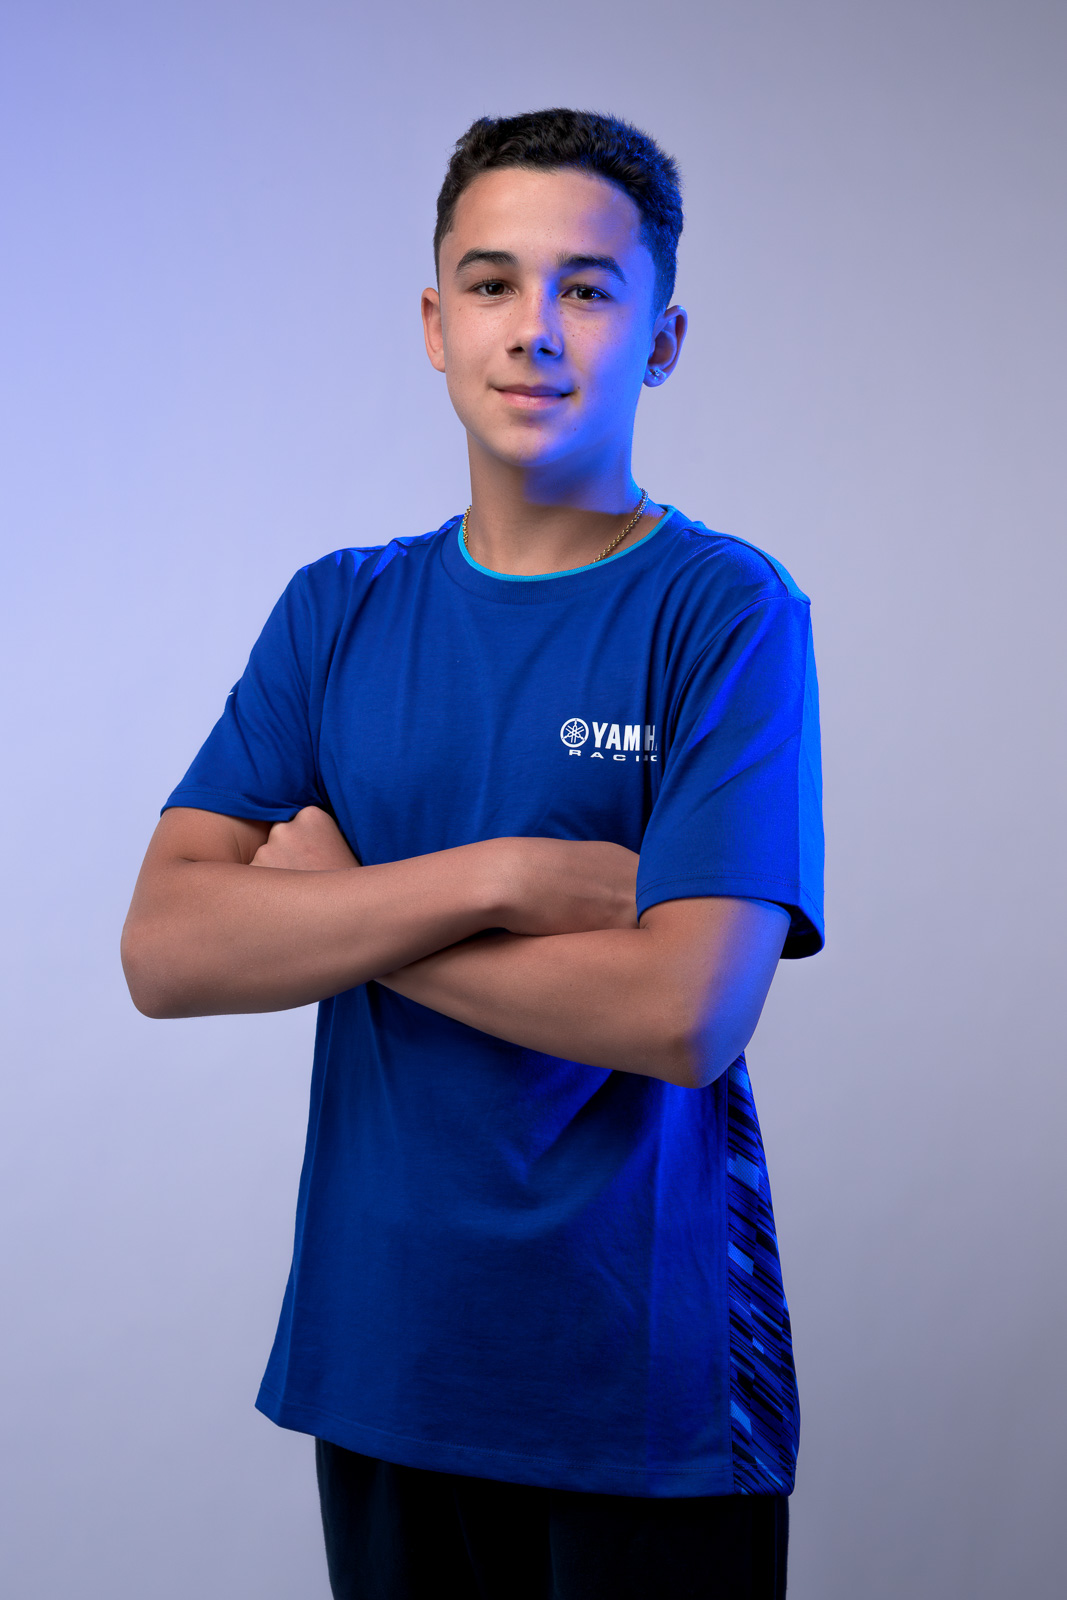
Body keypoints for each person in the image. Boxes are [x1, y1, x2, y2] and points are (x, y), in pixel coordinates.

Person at [122, 108, 823, 1600]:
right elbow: (167, 952)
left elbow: (683, 1014)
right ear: (436, 325)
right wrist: (498, 877)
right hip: (386, 1358)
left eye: (588, 288)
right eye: (493, 283)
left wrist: (339, 909)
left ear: (663, 338)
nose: (535, 328)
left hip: (641, 1382)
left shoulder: (727, 612)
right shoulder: (339, 610)